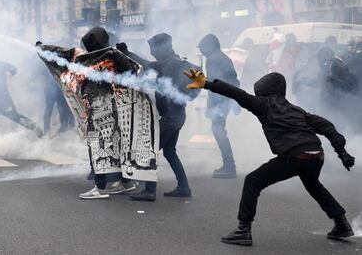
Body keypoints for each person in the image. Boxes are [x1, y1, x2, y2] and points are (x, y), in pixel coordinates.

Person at [184, 69, 355, 246]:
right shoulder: (296, 110)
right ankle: (342, 224)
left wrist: (206, 84)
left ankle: (243, 230)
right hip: (316, 155)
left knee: (253, 181)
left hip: (295, 155)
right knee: (314, 185)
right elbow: (327, 126)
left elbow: (238, 94)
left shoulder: (262, 104)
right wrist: (341, 152)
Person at [119, 33, 201, 201]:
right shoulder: (173, 63)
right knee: (170, 152)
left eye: (153, 48)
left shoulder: (169, 64)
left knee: (150, 150)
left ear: (162, 48)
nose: (152, 52)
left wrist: (127, 53)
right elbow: (149, 66)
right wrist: (127, 53)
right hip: (176, 117)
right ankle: (184, 187)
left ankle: (149, 190)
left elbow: (147, 65)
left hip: (171, 118)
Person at [76, 27, 137, 199]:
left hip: (101, 111)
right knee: (118, 147)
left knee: (98, 147)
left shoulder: (94, 60)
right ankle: (126, 182)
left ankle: (100, 187)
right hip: (118, 109)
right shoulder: (116, 56)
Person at [0, 49, 43, 143]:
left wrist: (11, 73)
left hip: (1, 100)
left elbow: (13, 68)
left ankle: (36, 128)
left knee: (14, 118)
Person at [197, 34, 240, 179]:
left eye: (202, 48)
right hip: (225, 100)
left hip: (221, 102)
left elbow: (215, 84)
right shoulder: (223, 58)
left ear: (210, 46)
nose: (201, 51)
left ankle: (229, 166)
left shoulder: (213, 60)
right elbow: (233, 80)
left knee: (219, 131)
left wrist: (212, 106)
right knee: (219, 131)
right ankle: (228, 165)